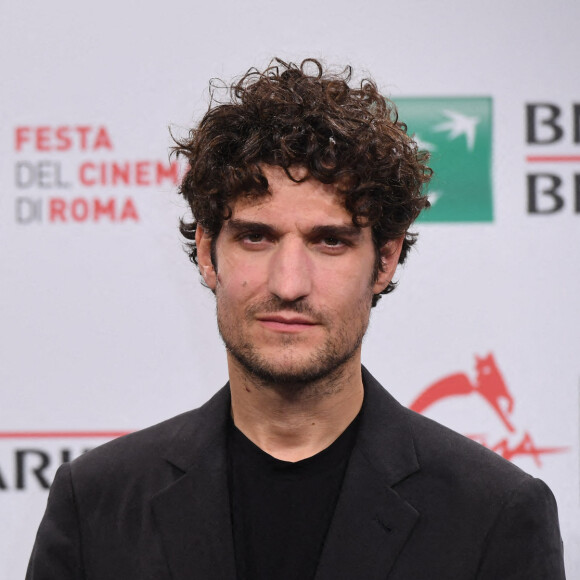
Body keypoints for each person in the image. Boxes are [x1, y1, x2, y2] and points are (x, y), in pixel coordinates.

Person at [27, 58, 565, 580]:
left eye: (329, 241)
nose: (288, 284)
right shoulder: (96, 502)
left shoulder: (495, 514)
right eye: (256, 237)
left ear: (384, 259)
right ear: (210, 253)